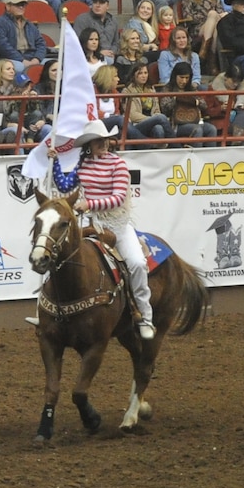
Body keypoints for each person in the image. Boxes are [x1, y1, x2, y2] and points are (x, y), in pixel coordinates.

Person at [73, 119, 154, 340]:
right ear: (89, 144)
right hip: (88, 222)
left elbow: (118, 198)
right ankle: (53, 311)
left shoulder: (118, 164)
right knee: (61, 254)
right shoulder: (79, 165)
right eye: (98, 140)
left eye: (105, 139)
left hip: (115, 222)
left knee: (137, 263)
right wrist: (52, 159)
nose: (104, 144)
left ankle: (145, 316)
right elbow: (66, 185)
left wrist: (90, 204)